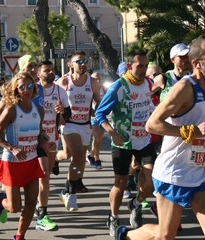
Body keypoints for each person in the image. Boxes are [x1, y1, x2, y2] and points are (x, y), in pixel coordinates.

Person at [116, 36, 205, 240]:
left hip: (200, 172)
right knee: (165, 235)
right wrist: (189, 131)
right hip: (175, 172)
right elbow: (152, 124)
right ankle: (126, 236)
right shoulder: (185, 88)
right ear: (196, 63)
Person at [95, 50, 157, 236]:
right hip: (123, 142)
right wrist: (112, 133)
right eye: (140, 66)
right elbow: (100, 113)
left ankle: (136, 203)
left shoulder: (148, 83)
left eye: (146, 66)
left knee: (152, 180)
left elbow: (150, 107)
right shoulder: (118, 87)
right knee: (120, 183)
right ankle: (113, 217)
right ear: (129, 66)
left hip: (144, 140)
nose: (144, 70)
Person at [0, 72, 46, 240]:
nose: (26, 90)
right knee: (14, 207)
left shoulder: (39, 110)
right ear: (15, 89)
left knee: (31, 203)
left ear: (34, 88)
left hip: (31, 161)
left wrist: (45, 143)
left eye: (30, 86)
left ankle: (19, 236)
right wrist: (12, 148)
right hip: (12, 163)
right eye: (22, 87)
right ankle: (1, 201)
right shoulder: (12, 110)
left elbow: (39, 135)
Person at [55, 51, 100, 210]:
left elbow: (99, 104)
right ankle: (70, 192)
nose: (83, 64)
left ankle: (55, 158)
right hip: (69, 124)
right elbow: (55, 102)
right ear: (70, 65)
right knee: (79, 156)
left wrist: (100, 115)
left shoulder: (93, 82)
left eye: (85, 61)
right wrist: (58, 113)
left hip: (85, 124)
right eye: (79, 61)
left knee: (73, 158)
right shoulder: (64, 82)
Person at [35, 60, 70, 231]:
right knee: (39, 176)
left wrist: (62, 111)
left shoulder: (60, 91)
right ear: (38, 74)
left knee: (45, 176)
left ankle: (41, 213)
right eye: (46, 70)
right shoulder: (32, 90)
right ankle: (39, 211)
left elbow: (68, 114)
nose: (49, 73)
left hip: (52, 138)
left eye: (51, 70)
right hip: (32, 138)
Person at [86, 71, 106, 169]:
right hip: (93, 116)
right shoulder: (89, 88)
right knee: (97, 137)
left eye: (99, 78)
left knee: (99, 138)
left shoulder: (103, 89)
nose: (97, 80)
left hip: (102, 116)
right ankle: (97, 159)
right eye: (95, 78)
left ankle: (90, 155)